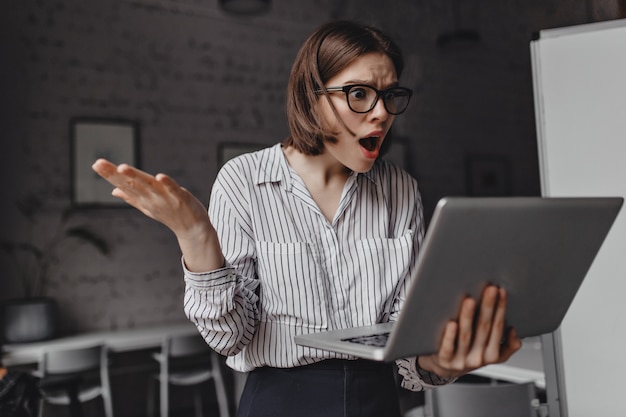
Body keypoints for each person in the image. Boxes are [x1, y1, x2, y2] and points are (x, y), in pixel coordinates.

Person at [92, 20, 522, 417]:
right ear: (311, 96)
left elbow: (406, 343)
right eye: (358, 94)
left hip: (378, 400)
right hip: (279, 402)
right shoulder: (244, 180)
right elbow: (230, 337)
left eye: (390, 95)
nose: (381, 113)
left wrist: (440, 361)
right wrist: (195, 234)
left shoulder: (400, 190)